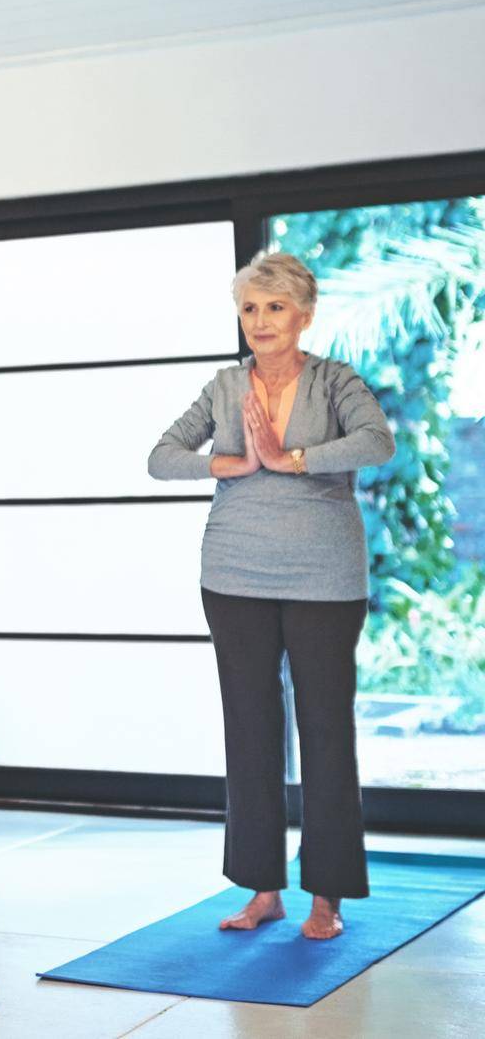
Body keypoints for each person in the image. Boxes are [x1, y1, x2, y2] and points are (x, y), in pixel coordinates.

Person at [149, 251, 395, 941]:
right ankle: (263, 890)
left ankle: (328, 897)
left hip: (324, 578)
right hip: (233, 574)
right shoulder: (226, 387)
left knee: (324, 732)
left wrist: (295, 460)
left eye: (276, 307)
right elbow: (162, 456)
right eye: (251, 308)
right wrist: (234, 463)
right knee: (251, 731)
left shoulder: (335, 381)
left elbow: (377, 443)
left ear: (304, 315)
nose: (261, 321)